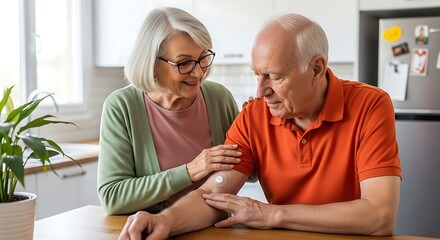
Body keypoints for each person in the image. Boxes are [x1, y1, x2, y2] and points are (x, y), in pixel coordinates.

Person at [118, 13, 402, 239]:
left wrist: (272, 214)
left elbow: (379, 216)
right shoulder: (255, 116)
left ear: (316, 69)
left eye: (274, 77)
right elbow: (211, 194)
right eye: (257, 75)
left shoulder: (370, 106)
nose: (261, 90)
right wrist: (164, 221)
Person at [97, 7, 242, 215]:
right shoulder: (122, 107)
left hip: (214, 230)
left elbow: (250, 171)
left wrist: (258, 124)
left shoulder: (219, 98)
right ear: (153, 64)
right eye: (184, 63)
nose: (199, 72)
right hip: (152, 231)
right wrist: (190, 171)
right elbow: (113, 197)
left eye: (203, 58)